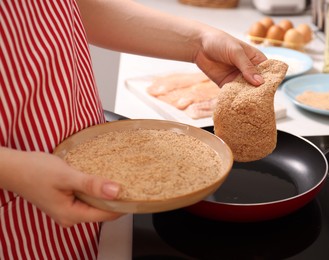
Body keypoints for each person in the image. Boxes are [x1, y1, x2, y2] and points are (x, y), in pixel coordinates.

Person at [0, 0, 267, 259]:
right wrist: (14, 170)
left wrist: (199, 42)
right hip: (20, 206)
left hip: (92, 179)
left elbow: (60, 8)